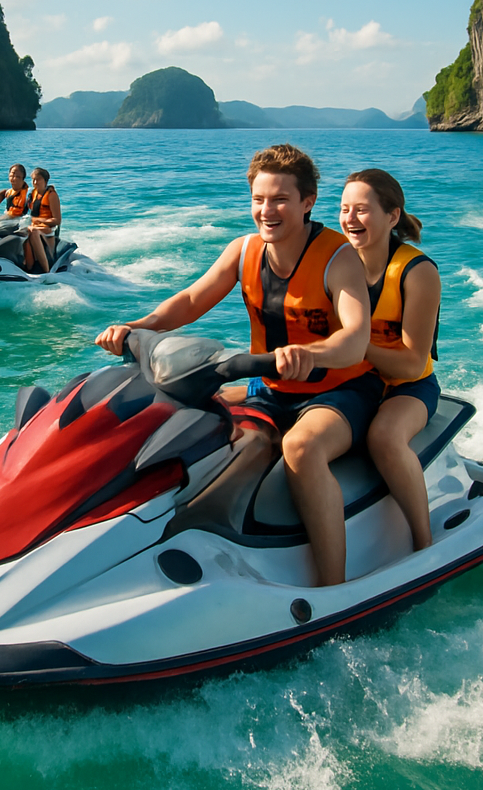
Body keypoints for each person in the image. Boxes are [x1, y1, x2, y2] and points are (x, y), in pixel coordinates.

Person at [96, 144, 377, 586]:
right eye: (259, 199)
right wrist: (136, 327)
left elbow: (355, 338)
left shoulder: (337, 257)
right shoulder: (243, 252)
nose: (267, 210)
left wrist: (312, 354)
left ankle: (333, 586)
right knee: (179, 416)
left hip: (338, 393)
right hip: (269, 389)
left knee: (301, 448)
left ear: (308, 202)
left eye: (280, 199)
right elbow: (190, 301)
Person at [340, 170, 441, 553]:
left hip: (408, 387)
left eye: (362, 210)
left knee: (384, 437)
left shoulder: (418, 273)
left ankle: (424, 542)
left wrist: (353, 344)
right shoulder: (335, 263)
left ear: (392, 216)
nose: (350, 219)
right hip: (351, 381)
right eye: (345, 208)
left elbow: (413, 364)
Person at [26, 168, 62, 274]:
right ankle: (29, 267)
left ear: (45, 181)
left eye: (38, 179)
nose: (35, 182)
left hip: (47, 229)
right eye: (33, 180)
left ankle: (46, 270)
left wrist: (40, 221)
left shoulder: (52, 195)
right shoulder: (33, 194)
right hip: (34, 227)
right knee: (24, 232)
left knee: (32, 231)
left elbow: (57, 220)